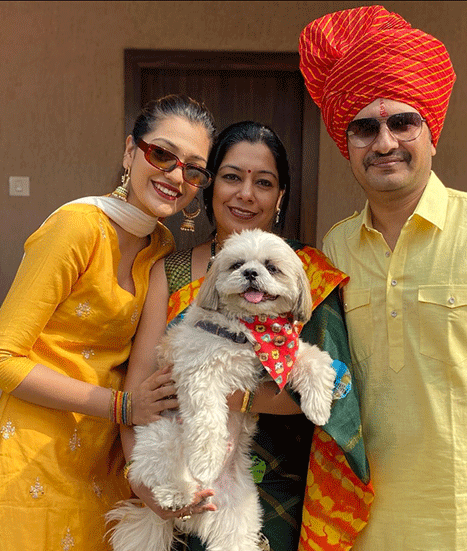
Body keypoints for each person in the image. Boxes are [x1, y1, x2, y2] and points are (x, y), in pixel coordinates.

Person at [299, 5, 467, 551]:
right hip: (367, 529)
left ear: (431, 134)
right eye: (364, 128)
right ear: (348, 148)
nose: (384, 142)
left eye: (401, 122)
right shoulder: (338, 246)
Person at [120, 121, 373, 551]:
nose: (245, 193)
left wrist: (236, 396)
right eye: (232, 177)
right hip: (175, 479)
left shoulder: (306, 271)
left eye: (264, 182)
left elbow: (335, 392)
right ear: (210, 185)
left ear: (280, 197)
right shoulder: (172, 271)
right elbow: (139, 392)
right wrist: (141, 483)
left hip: (275, 488)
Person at [0, 94, 217, 551]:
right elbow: (5, 359)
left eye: (193, 169)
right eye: (162, 154)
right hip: (31, 458)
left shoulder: (158, 245)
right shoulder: (77, 227)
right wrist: (124, 407)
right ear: (129, 151)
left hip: (103, 467)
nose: (176, 175)